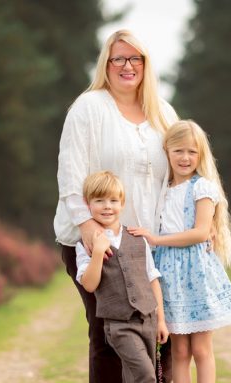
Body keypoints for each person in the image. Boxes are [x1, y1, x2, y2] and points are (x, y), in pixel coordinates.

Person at [54, 29, 178, 383]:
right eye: (118, 59)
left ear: (145, 64)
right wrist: (90, 229)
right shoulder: (89, 108)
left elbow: (180, 171)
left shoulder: (163, 113)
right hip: (101, 243)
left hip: (149, 245)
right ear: (106, 65)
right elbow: (70, 173)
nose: (127, 66)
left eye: (135, 58)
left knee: (158, 334)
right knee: (111, 334)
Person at [128, 120, 231, 383]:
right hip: (169, 276)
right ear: (167, 151)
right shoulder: (162, 189)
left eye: (192, 152)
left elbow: (201, 232)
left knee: (201, 349)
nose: (185, 157)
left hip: (195, 274)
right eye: (178, 150)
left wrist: (157, 240)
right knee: (179, 350)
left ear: (200, 155)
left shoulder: (202, 187)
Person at [75, 171, 169, 383]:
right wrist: (98, 252)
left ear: (122, 203)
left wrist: (161, 320)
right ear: (87, 203)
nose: (107, 206)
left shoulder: (137, 238)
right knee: (146, 376)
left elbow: (152, 279)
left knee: (132, 376)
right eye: (99, 200)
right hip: (119, 325)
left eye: (113, 200)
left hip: (148, 320)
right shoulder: (84, 245)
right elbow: (89, 285)